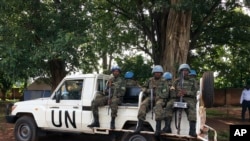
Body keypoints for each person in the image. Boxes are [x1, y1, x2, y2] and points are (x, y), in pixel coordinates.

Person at [162, 64, 198, 137]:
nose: (185, 72)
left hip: (188, 98)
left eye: (186, 70)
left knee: (192, 108)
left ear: (188, 72)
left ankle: (192, 130)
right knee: (169, 105)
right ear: (180, 72)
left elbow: (195, 92)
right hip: (177, 98)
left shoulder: (193, 81)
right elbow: (172, 90)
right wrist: (176, 94)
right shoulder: (176, 81)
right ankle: (167, 127)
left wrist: (186, 92)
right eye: (183, 70)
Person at [134, 65, 170, 136]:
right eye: (156, 72)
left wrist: (157, 93)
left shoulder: (164, 81)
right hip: (150, 97)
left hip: (160, 98)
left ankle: (158, 129)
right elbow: (143, 87)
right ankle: (140, 126)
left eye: (159, 72)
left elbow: (166, 93)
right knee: (143, 105)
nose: (157, 74)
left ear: (161, 73)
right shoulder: (150, 80)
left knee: (158, 106)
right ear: (153, 73)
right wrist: (148, 91)